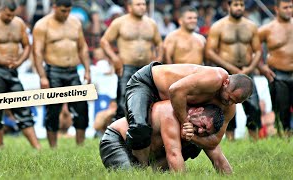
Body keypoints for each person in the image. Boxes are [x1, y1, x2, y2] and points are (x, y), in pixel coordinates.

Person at [125, 62, 253, 164]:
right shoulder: (215, 78)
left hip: (169, 99)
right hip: (147, 83)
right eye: (230, 98)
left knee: (193, 145)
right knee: (139, 128)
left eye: (235, 102)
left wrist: (191, 135)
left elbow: (213, 141)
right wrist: (185, 123)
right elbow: (175, 90)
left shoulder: (229, 106)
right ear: (226, 83)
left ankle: (153, 169)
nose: (229, 103)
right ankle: (139, 169)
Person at [100, 100, 233, 173]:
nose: (199, 130)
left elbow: (219, 159)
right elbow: (173, 154)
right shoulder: (171, 111)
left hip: (145, 156)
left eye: (205, 131)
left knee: (195, 145)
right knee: (129, 177)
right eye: (202, 124)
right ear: (197, 110)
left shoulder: (198, 130)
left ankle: (150, 172)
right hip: (118, 140)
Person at [0, 0, 40, 149]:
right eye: (7, 15)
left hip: (13, 70)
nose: (10, 18)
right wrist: (1, 60)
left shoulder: (19, 23)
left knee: (22, 108)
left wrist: (19, 62)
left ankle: (37, 147)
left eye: (12, 15)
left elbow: (27, 46)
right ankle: (0, 147)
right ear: (1, 10)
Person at [33, 0, 91, 148]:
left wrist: (87, 70)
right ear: (55, 8)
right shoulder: (42, 25)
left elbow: (82, 47)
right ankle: (53, 147)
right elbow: (37, 52)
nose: (66, 14)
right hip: (53, 71)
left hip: (73, 71)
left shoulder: (75, 23)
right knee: (53, 110)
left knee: (81, 108)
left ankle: (80, 146)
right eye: (63, 11)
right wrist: (42, 76)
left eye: (68, 11)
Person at [205, 0, 262, 140]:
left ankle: (255, 140)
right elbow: (209, 52)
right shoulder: (218, 26)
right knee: (227, 105)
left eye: (241, 5)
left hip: (247, 73)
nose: (239, 8)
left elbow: (258, 51)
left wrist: (250, 68)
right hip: (227, 74)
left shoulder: (251, 26)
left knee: (253, 107)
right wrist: (231, 68)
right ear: (228, 6)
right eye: (236, 5)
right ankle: (230, 140)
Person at [100, 0, 163, 121]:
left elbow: (159, 43)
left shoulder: (151, 23)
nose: (142, 7)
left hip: (146, 68)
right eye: (138, 4)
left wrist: (158, 60)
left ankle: (143, 132)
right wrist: (115, 58)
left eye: (144, 4)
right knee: (123, 100)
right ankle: (120, 134)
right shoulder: (120, 22)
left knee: (148, 99)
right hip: (126, 66)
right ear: (129, 7)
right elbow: (104, 41)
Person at [258, 0, 293, 136]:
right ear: (276, 9)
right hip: (278, 74)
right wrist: (262, 67)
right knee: (281, 111)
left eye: (291, 7)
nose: (289, 10)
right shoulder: (267, 29)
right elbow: (252, 50)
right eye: (285, 7)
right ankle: (283, 137)